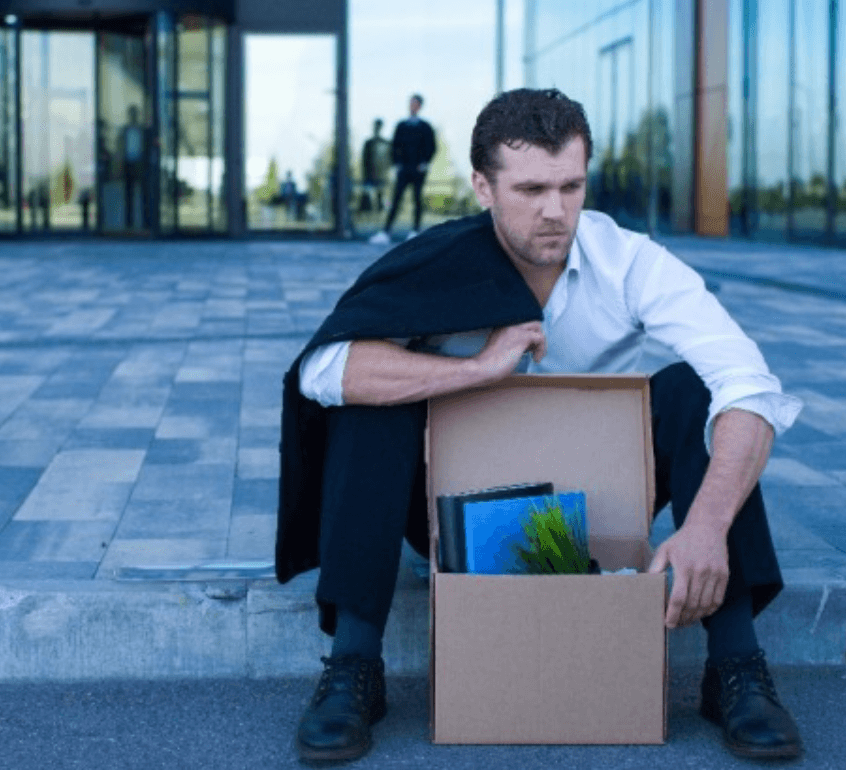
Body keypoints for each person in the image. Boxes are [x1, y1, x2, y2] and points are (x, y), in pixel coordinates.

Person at [279, 88, 804, 764]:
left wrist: (703, 527)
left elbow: (752, 385)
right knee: (374, 398)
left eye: (570, 186)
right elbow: (321, 370)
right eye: (530, 189)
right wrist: (474, 370)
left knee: (700, 391)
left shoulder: (631, 262)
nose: (555, 211)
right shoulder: (436, 259)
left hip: (599, 504)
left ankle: (736, 666)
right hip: (454, 511)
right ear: (482, 185)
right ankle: (354, 665)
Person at [368, 94, 435, 245]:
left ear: (420, 106)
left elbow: (431, 146)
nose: (413, 106)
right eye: (411, 103)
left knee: (417, 199)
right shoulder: (401, 126)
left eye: (415, 104)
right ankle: (386, 231)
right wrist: (397, 164)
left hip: (418, 170)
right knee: (396, 199)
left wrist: (424, 163)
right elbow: (395, 146)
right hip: (404, 170)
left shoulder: (425, 127)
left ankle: (415, 231)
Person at [360, 118, 391, 213]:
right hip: (370, 174)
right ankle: (367, 210)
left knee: (380, 196)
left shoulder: (385, 143)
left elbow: (388, 159)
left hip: (381, 174)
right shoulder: (369, 143)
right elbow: (364, 160)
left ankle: (379, 210)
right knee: (367, 196)